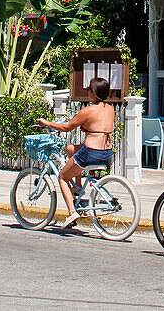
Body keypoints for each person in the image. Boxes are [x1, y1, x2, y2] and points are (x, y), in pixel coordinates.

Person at [37, 76, 115, 229]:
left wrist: (46, 123)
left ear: (94, 93)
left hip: (90, 153)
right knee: (70, 149)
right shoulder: (110, 109)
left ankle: (72, 212)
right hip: (106, 153)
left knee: (62, 177)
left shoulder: (88, 110)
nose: (87, 91)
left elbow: (67, 127)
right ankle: (78, 188)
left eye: (88, 89)